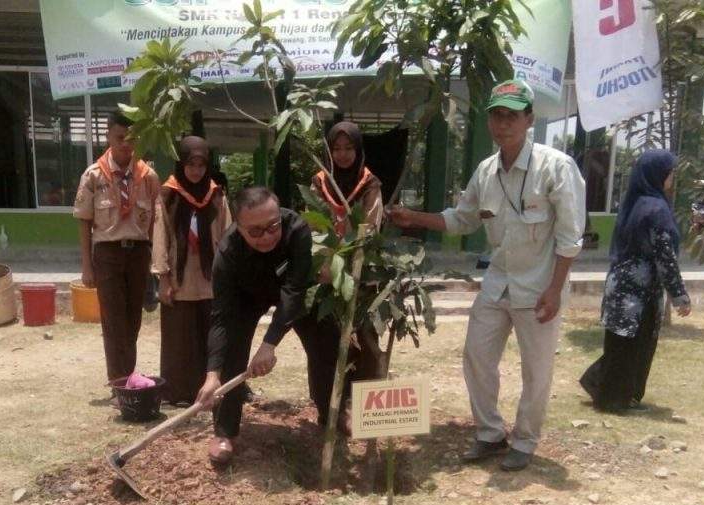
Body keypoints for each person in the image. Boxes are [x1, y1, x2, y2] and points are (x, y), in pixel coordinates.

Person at [389, 80, 586, 471]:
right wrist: (414, 218)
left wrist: (555, 289)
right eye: (496, 115)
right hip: (499, 283)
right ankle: (490, 433)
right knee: (477, 355)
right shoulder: (486, 171)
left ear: (529, 118)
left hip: (540, 287)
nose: (502, 123)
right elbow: (462, 220)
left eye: (511, 115)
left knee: (537, 370)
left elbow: (569, 238)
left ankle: (525, 440)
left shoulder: (556, 167)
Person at [193, 187, 350, 465]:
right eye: (255, 231)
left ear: (280, 216)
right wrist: (212, 374)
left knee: (326, 341)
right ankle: (225, 431)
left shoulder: (297, 229)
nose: (266, 236)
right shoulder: (227, 253)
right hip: (246, 297)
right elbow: (221, 317)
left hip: (293, 290)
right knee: (233, 351)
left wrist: (269, 345)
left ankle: (332, 413)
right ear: (238, 227)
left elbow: (294, 290)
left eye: (272, 227)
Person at [580, 150, 691, 412]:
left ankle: (604, 387)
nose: (672, 177)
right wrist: (679, 295)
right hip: (637, 294)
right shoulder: (657, 209)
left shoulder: (635, 203)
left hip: (620, 285)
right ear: (658, 174)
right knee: (633, 347)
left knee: (620, 344)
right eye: (670, 172)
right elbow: (665, 257)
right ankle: (614, 399)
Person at [73, 111, 160, 382]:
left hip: (138, 252)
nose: (126, 144)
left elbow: (157, 224)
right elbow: (84, 222)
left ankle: (128, 376)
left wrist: (156, 264)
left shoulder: (147, 176)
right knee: (113, 321)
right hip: (107, 254)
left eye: (131, 139)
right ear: (108, 135)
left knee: (133, 318)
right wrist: (87, 266)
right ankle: (118, 381)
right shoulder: (94, 175)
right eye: (120, 138)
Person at [152, 136, 233, 407]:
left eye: (201, 164)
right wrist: (163, 277)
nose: (196, 170)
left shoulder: (217, 196)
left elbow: (228, 235)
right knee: (180, 339)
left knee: (211, 336)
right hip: (180, 278)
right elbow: (160, 236)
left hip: (211, 278)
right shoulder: (168, 195)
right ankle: (178, 392)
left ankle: (211, 391)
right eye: (191, 164)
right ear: (181, 164)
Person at [312, 121, 387, 381]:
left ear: (358, 150)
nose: (342, 154)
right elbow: (314, 224)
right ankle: (328, 403)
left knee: (362, 334)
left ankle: (362, 402)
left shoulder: (370, 184)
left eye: (349, 148)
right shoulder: (320, 183)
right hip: (326, 269)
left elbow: (371, 227)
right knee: (326, 337)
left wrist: (353, 258)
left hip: (361, 269)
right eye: (337, 148)